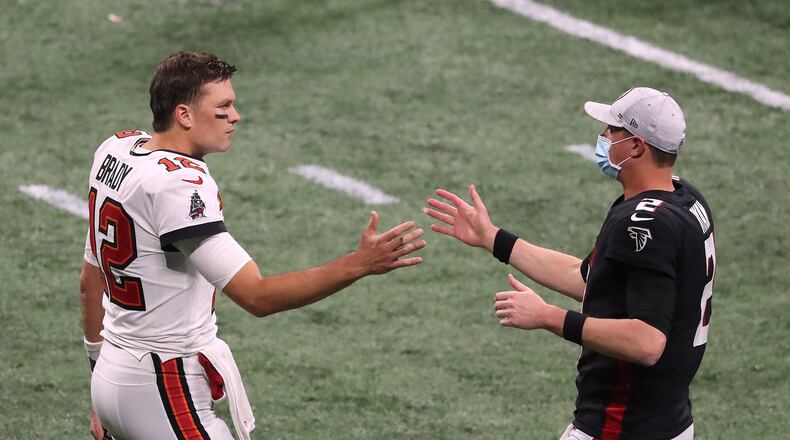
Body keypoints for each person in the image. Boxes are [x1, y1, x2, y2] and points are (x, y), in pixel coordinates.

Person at [80, 51, 426, 440]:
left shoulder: (117, 149)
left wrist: (99, 377)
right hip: (162, 381)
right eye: (223, 106)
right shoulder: (179, 184)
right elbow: (257, 296)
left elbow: (89, 279)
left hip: (113, 369)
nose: (235, 116)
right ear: (185, 115)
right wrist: (359, 264)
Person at [424, 87, 715, 440]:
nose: (604, 136)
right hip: (667, 419)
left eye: (613, 130)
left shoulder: (644, 223)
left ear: (637, 145)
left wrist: (549, 317)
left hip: (622, 425)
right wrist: (493, 238)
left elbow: (646, 342)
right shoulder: (683, 197)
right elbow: (588, 279)